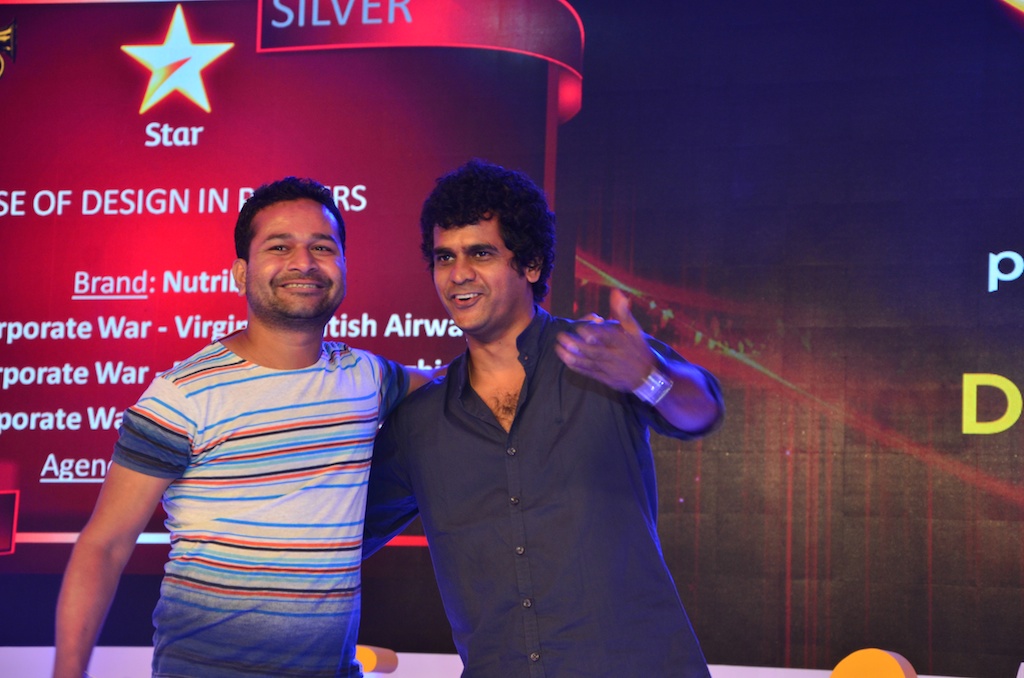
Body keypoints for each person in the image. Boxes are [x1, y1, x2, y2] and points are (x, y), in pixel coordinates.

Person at [54, 177, 435, 678]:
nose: (304, 262)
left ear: (343, 266)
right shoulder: (181, 396)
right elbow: (103, 546)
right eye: (279, 247)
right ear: (241, 273)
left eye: (322, 247)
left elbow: (455, 384)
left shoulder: (365, 377)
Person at [363, 159, 725, 677]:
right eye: (445, 257)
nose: (459, 274)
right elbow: (340, 535)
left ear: (531, 264)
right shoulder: (420, 422)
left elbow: (702, 411)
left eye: (481, 253)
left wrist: (650, 377)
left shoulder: (599, 354)